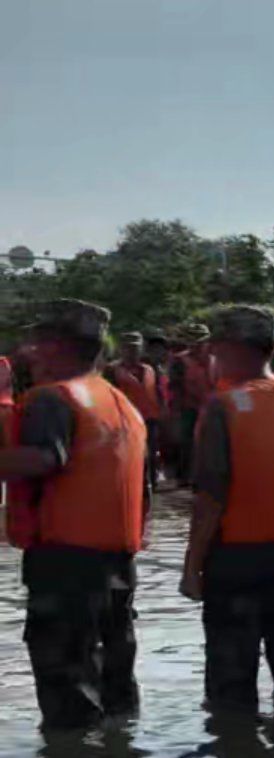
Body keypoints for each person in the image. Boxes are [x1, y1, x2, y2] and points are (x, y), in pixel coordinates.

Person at [180, 304, 274, 714]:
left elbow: (210, 496)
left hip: (237, 564)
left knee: (231, 692)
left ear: (228, 348)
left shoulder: (222, 407)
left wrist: (191, 566)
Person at [0, 300, 148, 728]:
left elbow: (44, 459)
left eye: (38, 341)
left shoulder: (53, 399)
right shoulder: (120, 403)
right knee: (115, 681)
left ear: (59, 345)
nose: (30, 351)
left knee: (67, 684)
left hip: (65, 565)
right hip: (117, 565)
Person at [107, 330, 165, 478]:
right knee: (130, 455)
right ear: (121, 349)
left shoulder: (150, 369)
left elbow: (158, 391)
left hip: (150, 418)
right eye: (128, 347)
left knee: (151, 454)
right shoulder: (111, 370)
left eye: (135, 347)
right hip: (124, 420)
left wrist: (163, 412)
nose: (132, 351)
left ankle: (150, 484)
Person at [168, 321, 213, 482]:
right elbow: (175, 386)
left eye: (201, 341)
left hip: (212, 408)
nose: (197, 345)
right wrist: (176, 410)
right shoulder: (179, 361)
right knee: (188, 442)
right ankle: (187, 476)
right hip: (189, 408)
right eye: (193, 341)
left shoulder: (215, 360)